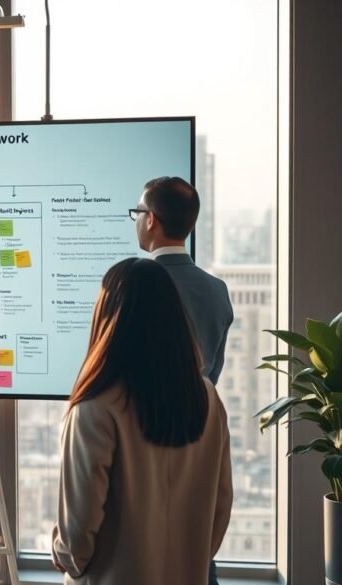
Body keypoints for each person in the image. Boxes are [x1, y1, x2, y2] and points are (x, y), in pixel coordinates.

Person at [51, 257, 233, 585]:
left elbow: (78, 532)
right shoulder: (206, 396)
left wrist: (64, 555)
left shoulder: (96, 406)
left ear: (108, 319)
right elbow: (221, 504)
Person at [132, 175, 234, 584]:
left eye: (137, 213)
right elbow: (214, 374)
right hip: (198, 439)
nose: (136, 220)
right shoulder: (216, 290)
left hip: (140, 445)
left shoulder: (133, 287)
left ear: (152, 220)